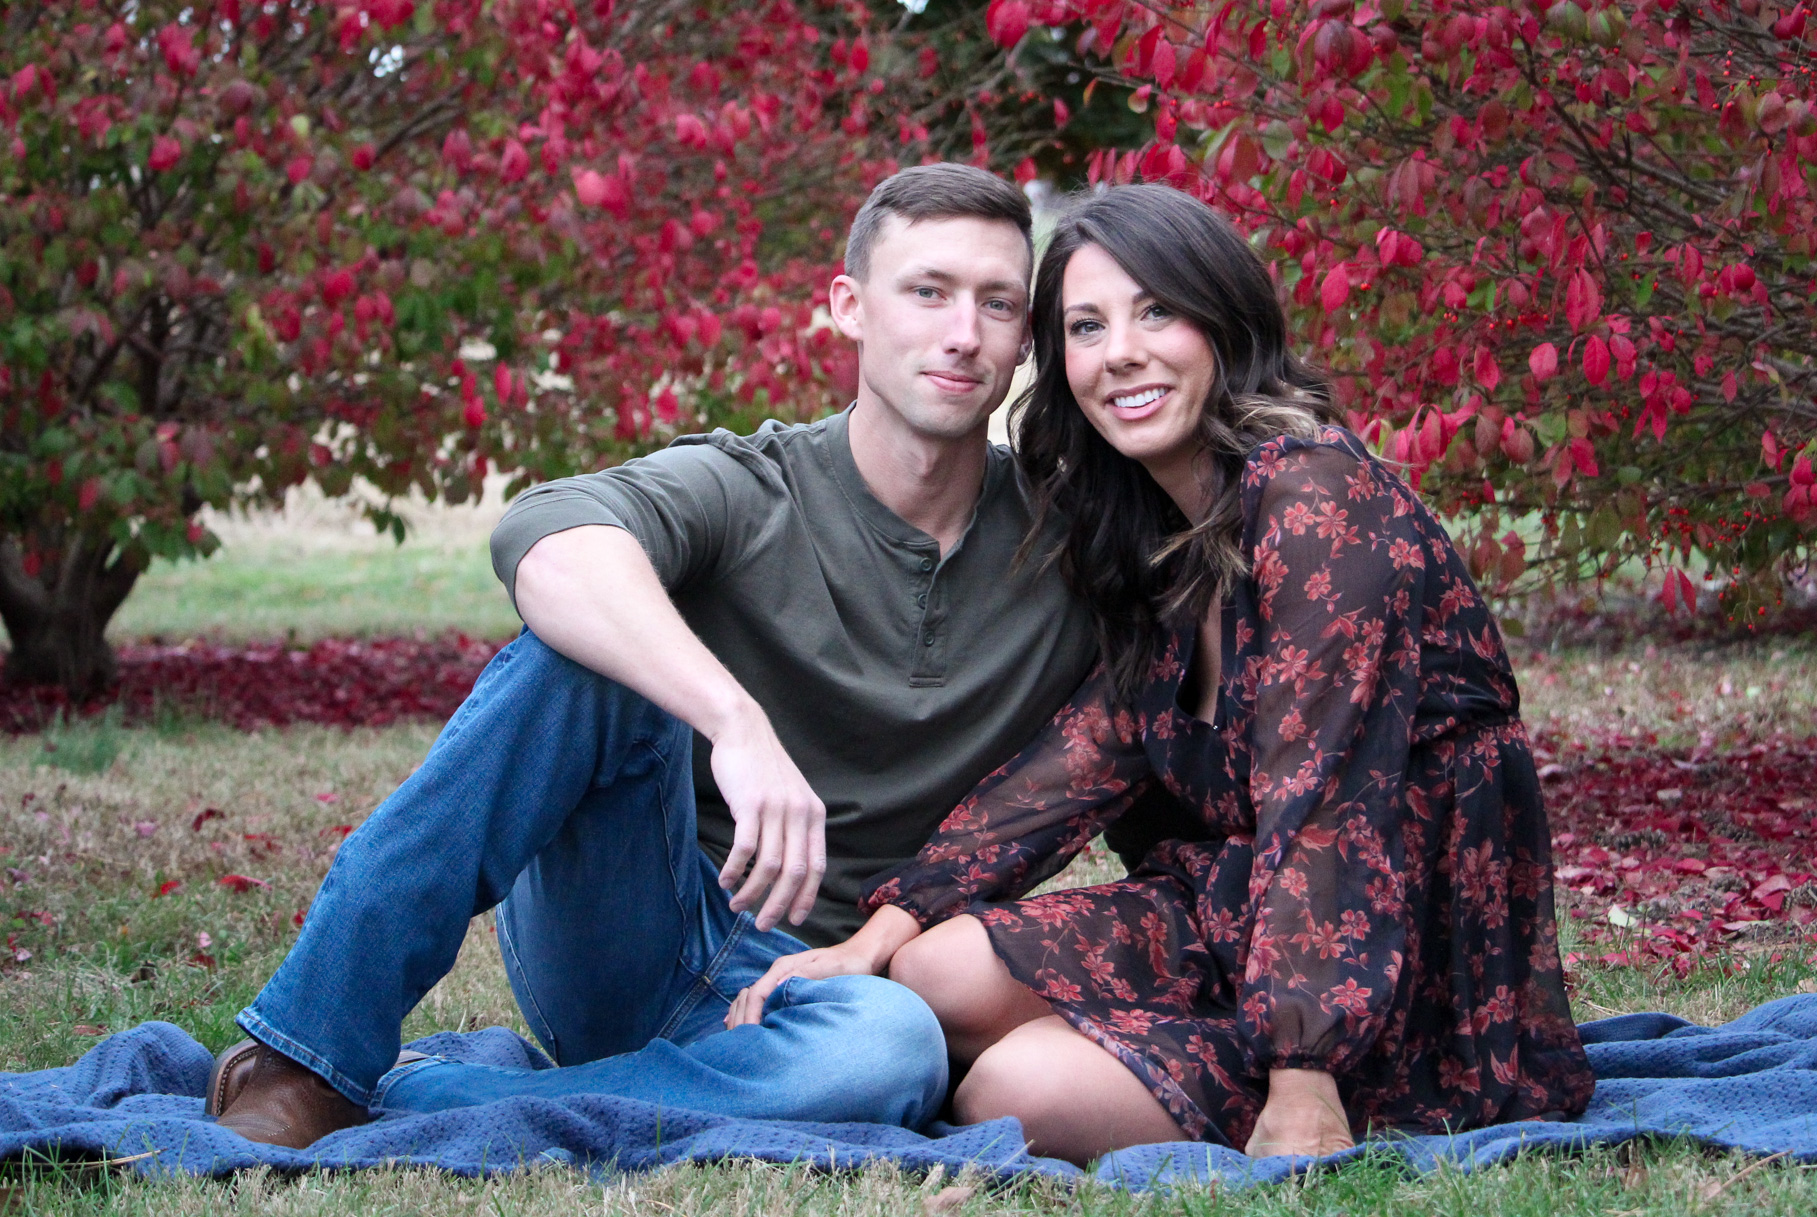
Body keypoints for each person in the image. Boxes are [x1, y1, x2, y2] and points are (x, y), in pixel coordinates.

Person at [203, 164, 1099, 1148]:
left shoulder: (1071, 555)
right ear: (848, 307)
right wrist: (731, 718)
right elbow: (543, 540)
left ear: (1024, 339)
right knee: (581, 659)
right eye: (926, 291)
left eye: (995, 303)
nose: (961, 331)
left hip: (839, 999)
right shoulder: (750, 487)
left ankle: (415, 1095)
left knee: (889, 1055)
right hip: (646, 923)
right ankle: (303, 1053)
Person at [739, 184, 1594, 1165]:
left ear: (1223, 322)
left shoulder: (1319, 500)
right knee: (928, 972)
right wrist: (875, 930)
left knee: (1008, 1089)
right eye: (1086, 325)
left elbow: (1327, 793)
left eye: (1157, 311)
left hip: (1401, 947)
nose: (1121, 354)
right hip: (1236, 906)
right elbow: (1077, 762)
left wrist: (1303, 1075)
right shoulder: (1157, 533)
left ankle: (1250, 1060)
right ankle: (1168, 1047)